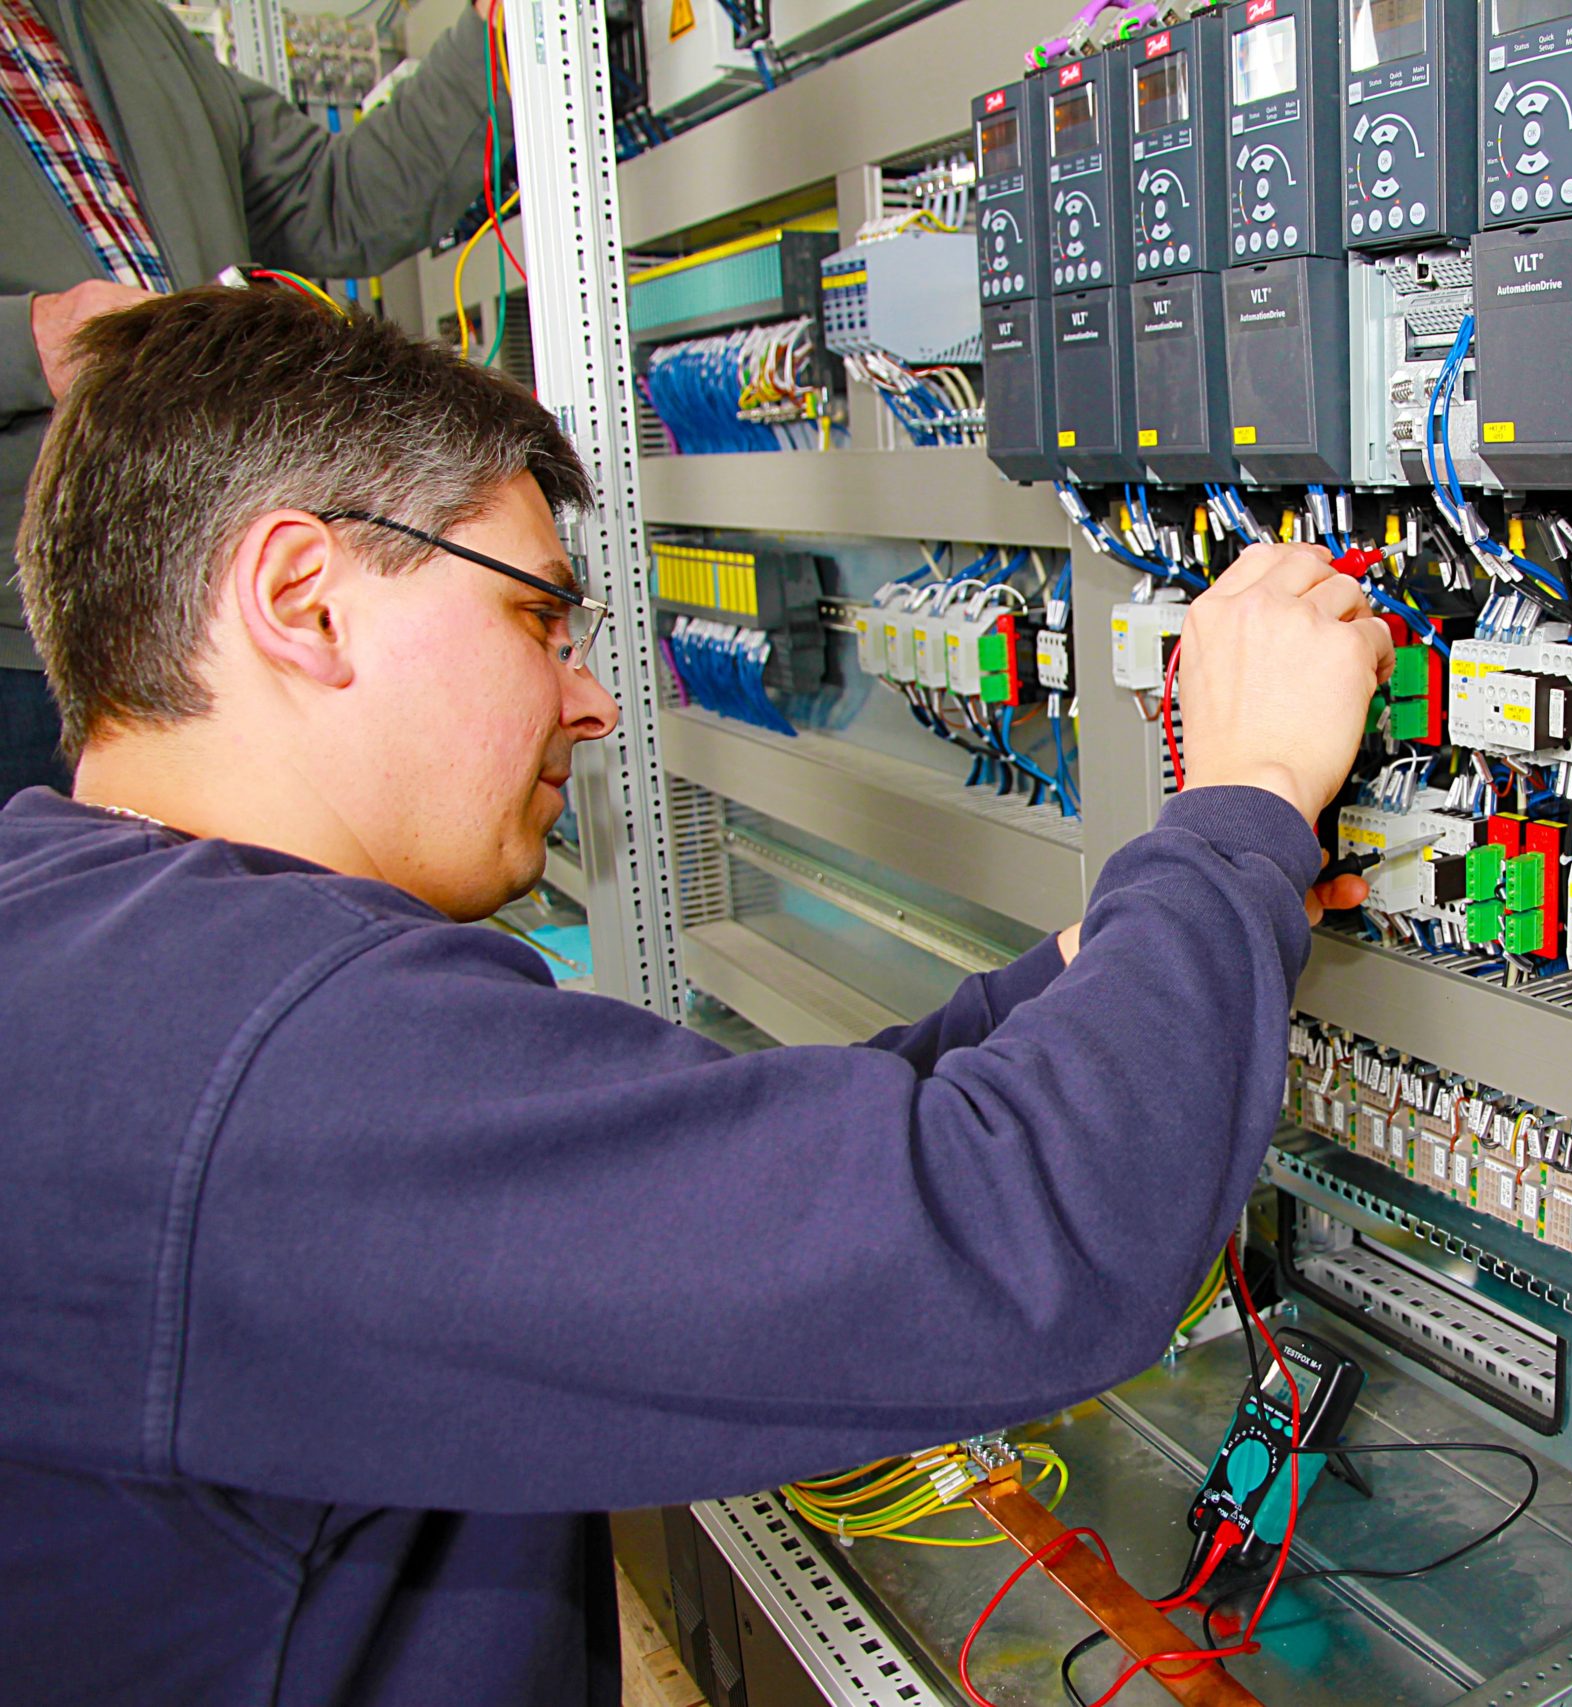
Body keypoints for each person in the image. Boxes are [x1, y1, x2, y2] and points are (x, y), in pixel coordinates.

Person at [0, 286, 1390, 1705]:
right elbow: (1021, 1241)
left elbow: (783, 1167)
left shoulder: (107, 960)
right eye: (537, 618)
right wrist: (1247, 795)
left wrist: (1117, 954)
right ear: (304, 599)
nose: (593, 700)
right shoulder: (257, 1061)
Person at [3, 0, 516, 797]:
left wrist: (502, 33)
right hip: (23, 657)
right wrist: (28, 342)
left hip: (206, 617)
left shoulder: (124, 26)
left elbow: (338, 199)